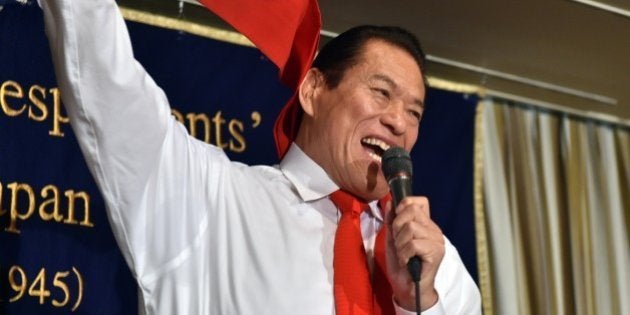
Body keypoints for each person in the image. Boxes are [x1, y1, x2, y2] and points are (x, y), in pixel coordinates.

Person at [40, 0, 481, 314]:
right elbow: (105, 83)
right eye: (381, 93)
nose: (399, 123)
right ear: (312, 90)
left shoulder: (437, 265)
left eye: (414, 112)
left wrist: (413, 303)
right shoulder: (210, 199)